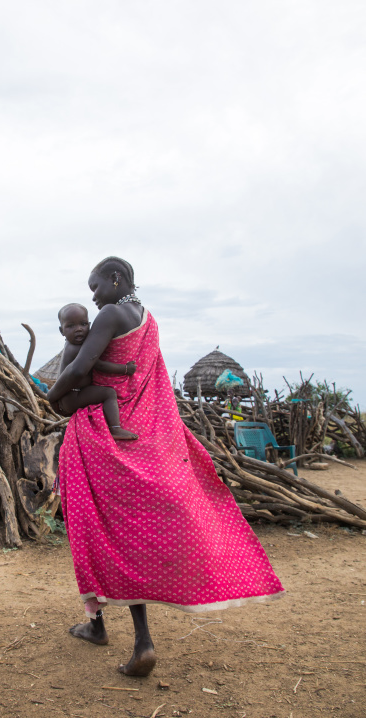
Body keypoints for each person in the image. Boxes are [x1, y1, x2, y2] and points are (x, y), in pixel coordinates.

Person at [47, 257, 284, 678]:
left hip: (99, 438)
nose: (93, 295)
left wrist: (52, 399)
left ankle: (107, 628)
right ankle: (131, 637)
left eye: (96, 286)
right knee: (129, 535)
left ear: (116, 280)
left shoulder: (108, 315)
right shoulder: (146, 318)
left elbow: (81, 368)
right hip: (141, 435)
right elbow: (135, 378)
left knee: (93, 531)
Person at [56, 302, 138, 440]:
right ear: (61, 330)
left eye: (83, 324)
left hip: (71, 395)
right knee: (109, 393)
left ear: (90, 325)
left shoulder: (73, 345)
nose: (78, 329)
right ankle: (116, 429)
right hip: (72, 396)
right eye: (71, 326)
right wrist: (125, 369)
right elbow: (99, 365)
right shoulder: (75, 349)